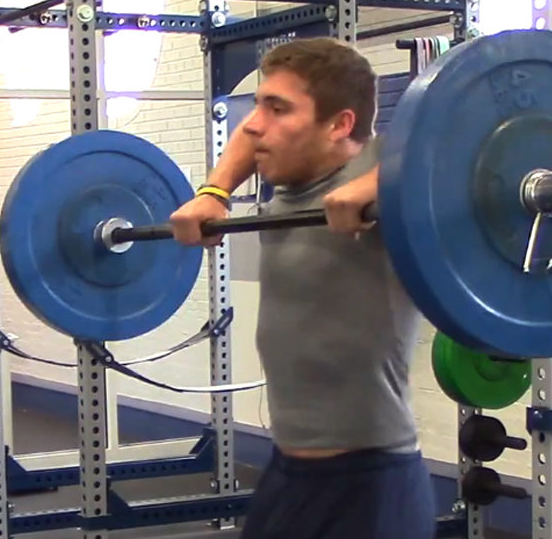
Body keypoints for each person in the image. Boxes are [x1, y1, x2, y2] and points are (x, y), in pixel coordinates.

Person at [169, 37, 436, 539]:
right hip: (289, 475)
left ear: (340, 125)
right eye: (259, 105)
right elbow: (250, 134)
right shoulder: (290, 179)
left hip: (370, 484)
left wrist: (383, 183)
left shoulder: (386, 168)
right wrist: (214, 191)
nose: (254, 124)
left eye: (278, 109)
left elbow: (468, 146)